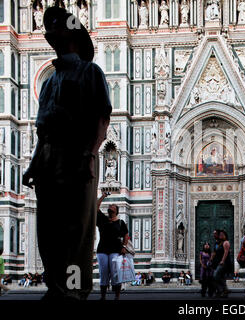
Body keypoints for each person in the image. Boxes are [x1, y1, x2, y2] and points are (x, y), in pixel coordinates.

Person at [22, 6, 111, 300]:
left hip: (77, 159)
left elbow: (101, 119)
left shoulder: (90, 72)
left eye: (58, 25)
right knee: (49, 231)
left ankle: (74, 293)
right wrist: (34, 164)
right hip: (48, 163)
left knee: (76, 233)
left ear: (72, 34)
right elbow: (42, 129)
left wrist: (89, 155)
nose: (50, 31)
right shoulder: (48, 82)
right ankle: (57, 288)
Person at [96, 191, 130, 300]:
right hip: (102, 250)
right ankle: (103, 297)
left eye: (113, 206)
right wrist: (103, 196)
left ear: (116, 211)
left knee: (116, 274)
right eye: (110, 206)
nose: (110, 207)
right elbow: (95, 206)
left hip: (115, 250)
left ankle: (117, 296)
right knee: (103, 274)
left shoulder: (120, 223)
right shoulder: (102, 219)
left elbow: (126, 235)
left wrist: (124, 247)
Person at [211, 230, 233, 298]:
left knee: (215, 275)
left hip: (224, 263)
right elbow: (215, 252)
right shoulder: (218, 243)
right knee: (221, 277)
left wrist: (223, 261)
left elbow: (226, 252)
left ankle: (221, 290)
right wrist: (211, 259)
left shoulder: (226, 242)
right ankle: (224, 291)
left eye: (223, 235)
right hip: (218, 262)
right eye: (220, 235)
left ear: (225, 235)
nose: (221, 236)